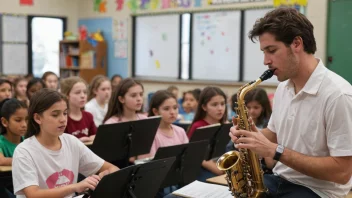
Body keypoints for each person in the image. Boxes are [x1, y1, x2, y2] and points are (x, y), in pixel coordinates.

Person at [229, 7, 352, 198]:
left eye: (271, 50)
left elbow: (342, 172)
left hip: (318, 192)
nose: (265, 61)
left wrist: (274, 151)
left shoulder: (338, 95)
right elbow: (275, 135)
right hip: (280, 180)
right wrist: (251, 135)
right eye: (264, 52)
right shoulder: (283, 88)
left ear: (297, 43)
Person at [12, 89, 119, 198]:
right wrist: (75, 187)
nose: (63, 119)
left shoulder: (71, 142)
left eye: (65, 113)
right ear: (38, 118)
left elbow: (112, 168)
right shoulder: (24, 151)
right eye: (55, 115)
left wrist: (103, 176)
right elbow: (33, 194)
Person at [187, 87, 227, 181]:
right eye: (214, 105)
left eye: (222, 104)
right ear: (204, 107)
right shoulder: (198, 126)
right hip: (201, 170)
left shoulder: (225, 124)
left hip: (219, 165)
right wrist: (219, 170)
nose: (220, 108)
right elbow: (197, 155)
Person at [61, 77, 96, 143]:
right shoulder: (63, 118)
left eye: (85, 92)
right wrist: (79, 142)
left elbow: (95, 136)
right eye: (77, 92)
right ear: (67, 95)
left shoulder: (88, 116)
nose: (83, 96)